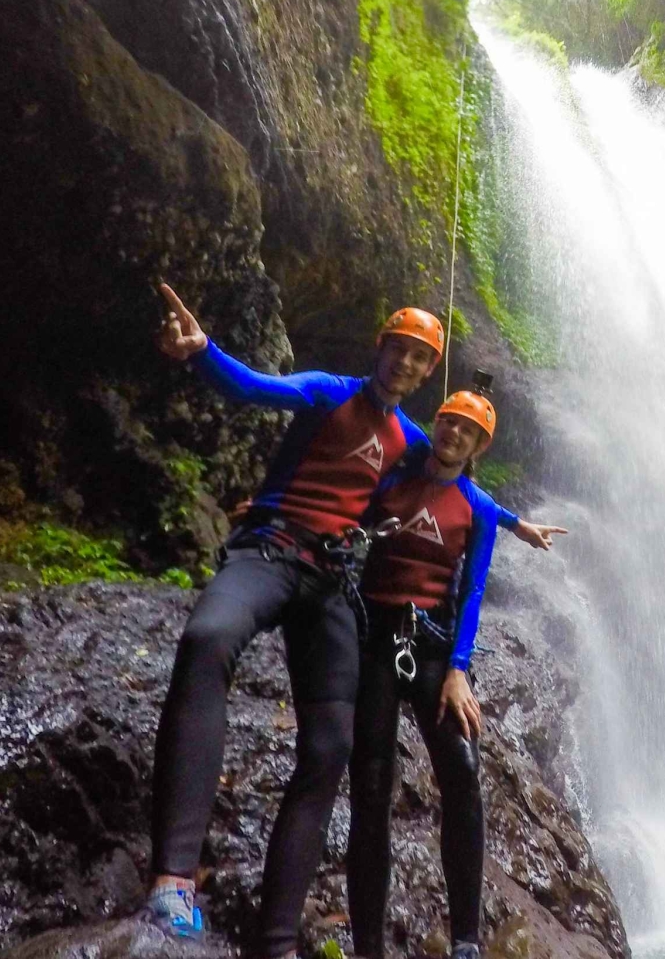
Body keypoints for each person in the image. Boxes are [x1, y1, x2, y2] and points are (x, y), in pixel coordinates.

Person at [142, 283, 564, 958]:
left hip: (334, 584)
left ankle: (279, 940)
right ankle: (173, 880)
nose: (407, 363)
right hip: (274, 549)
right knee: (207, 638)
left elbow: (461, 485)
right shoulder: (329, 393)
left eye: (420, 358)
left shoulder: (411, 438)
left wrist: (515, 525)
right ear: (382, 349)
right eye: (400, 350)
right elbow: (256, 388)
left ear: (429, 373)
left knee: (331, 749)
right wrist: (202, 353)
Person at [346, 388, 526, 959]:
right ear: (438, 425)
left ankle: (466, 942)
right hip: (375, 637)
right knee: (371, 786)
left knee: (462, 774)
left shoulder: (477, 508)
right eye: (448, 423)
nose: (453, 434)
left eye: (466, 432)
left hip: (430, 647)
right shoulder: (393, 478)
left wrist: (459, 671)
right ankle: (367, 945)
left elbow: (472, 593)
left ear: (476, 448)